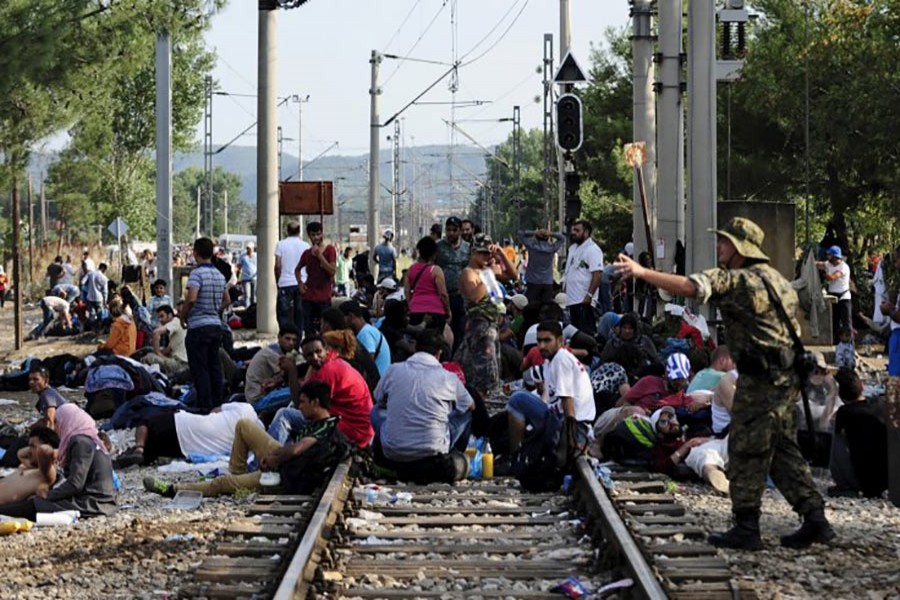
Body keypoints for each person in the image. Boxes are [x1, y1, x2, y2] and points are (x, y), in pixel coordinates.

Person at [614, 216, 834, 550]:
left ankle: (747, 525)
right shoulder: (776, 281)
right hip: (785, 379)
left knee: (744, 449)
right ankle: (815, 518)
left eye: (724, 242)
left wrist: (643, 273)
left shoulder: (736, 280)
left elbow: (691, 287)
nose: (718, 246)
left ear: (739, 248)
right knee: (783, 450)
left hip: (758, 382)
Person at [143, 381, 347, 498]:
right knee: (244, 425)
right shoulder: (322, 422)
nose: (299, 407)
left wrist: (274, 459)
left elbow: (295, 450)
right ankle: (237, 474)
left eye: (303, 403)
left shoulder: (325, 428)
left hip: (286, 476)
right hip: (289, 463)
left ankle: (173, 490)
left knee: (221, 483)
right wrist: (275, 454)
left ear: (316, 403)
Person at [371, 330, 473, 483]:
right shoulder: (448, 378)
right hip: (432, 450)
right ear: (438, 353)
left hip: (393, 450)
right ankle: (452, 454)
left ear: (415, 348)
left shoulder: (393, 370)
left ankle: (384, 457)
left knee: (376, 410)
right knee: (465, 414)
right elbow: (471, 405)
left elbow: (377, 397)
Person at [0, 404, 116, 520]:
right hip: (96, 500)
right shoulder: (86, 440)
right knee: (37, 502)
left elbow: (75, 484)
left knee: (36, 504)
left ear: (68, 421)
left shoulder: (81, 443)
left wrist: (48, 495)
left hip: (94, 503)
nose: (55, 427)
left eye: (57, 422)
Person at [507, 320, 596, 458]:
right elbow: (548, 397)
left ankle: (516, 457)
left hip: (573, 424)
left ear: (560, 340)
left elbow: (568, 400)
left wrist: (571, 439)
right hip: (560, 418)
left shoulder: (561, 359)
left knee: (516, 400)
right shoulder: (551, 360)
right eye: (539, 341)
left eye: (547, 341)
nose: (542, 346)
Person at [268, 336, 373, 449]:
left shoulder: (328, 371)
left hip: (352, 432)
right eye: (309, 355)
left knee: (285, 415)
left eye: (318, 352)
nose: (315, 357)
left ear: (326, 349)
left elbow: (300, 404)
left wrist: (292, 371)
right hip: (360, 428)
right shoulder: (333, 361)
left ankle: (266, 460)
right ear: (304, 357)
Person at [455, 234, 517, 396]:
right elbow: (474, 297)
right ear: (473, 252)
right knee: (482, 372)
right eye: (482, 253)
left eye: (488, 254)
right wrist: (489, 273)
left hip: (492, 326)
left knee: (492, 369)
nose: (486, 257)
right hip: (479, 326)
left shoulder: (486, 272)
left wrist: (501, 254)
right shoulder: (469, 273)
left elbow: (513, 276)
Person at [114, 400, 260, 468]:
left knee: (146, 421)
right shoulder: (251, 443)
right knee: (153, 446)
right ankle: (146, 454)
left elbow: (214, 410)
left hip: (182, 423)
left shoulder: (246, 409)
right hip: (182, 450)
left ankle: (139, 448)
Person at [180, 237, 230, 411]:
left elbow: (192, 298)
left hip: (198, 326)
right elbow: (227, 300)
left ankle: (205, 407)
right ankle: (218, 404)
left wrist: (183, 315)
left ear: (195, 253)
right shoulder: (219, 274)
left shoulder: (196, 274)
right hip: (215, 325)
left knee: (200, 369)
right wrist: (215, 310)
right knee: (214, 366)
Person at [563, 220, 604, 336]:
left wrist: (589, 295)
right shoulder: (572, 248)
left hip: (583, 300)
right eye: (572, 230)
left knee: (585, 334)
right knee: (575, 334)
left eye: (577, 230)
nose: (573, 233)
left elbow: (597, 274)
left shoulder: (593, 250)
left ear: (586, 232)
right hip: (571, 299)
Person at [244, 325, 299, 411]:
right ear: (279, 338)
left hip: (262, 394)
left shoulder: (277, 351)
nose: (291, 343)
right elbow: (287, 376)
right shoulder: (273, 355)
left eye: (294, 340)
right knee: (297, 393)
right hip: (257, 400)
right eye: (287, 339)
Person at [436, 217, 471, 351]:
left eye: (454, 230)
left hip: (460, 295)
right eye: (448, 230)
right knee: (442, 328)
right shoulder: (439, 247)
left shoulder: (467, 248)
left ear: (460, 231)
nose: (451, 233)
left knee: (460, 328)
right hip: (442, 295)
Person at [0, 427, 58, 505]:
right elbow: (20, 453)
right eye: (29, 446)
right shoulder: (31, 467)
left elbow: (44, 450)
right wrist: (33, 446)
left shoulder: (47, 474)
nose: (28, 450)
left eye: (32, 446)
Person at [298, 221, 337, 337]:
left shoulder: (330, 250)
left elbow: (332, 270)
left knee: (326, 329)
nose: (316, 237)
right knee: (308, 328)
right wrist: (300, 283)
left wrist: (320, 256)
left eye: (318, 234)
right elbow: (297, 269)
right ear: (309, 236)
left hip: (324, 296)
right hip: (309, 296)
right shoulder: (306, 253)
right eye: (313, 235)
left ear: (322, 234)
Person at [406, 236, 452, 332]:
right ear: (434, 254)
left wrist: (411, 305)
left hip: (415, 310)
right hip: (435, 312)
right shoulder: (436, 270)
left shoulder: (411, 270)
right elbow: (443, 294)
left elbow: (407, 291)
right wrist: (448, 310)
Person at [275, 221, 310, 334]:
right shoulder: (305, 245)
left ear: (287, 231)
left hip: (285, 282)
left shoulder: (280, 244)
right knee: (300, 314)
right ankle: (297, 340)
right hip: (302, 282)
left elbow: (278, 266)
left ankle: (285, 339)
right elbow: (309, 266)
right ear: (299, 231)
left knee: (284, 314)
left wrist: (278, 280)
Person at [340, 300, 391, 377]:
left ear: (351, 316)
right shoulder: (368, 330)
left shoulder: (365, 333)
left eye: (343, 319)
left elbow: (368, 362)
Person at [517, 228, 565, 306]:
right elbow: (562, 238)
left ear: (536, 237)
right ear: (548, 238)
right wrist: (550, 233)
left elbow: (520, 233)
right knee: (546, 307)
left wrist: (535, 232)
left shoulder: (532, 246)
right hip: (547, 281)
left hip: (533, 281)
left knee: (532, 306)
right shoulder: (552, 248)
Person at [816, 245, 852, 343]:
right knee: (834, 321)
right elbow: (819, 264)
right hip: (833, 295)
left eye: (829, 255)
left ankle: (849, 343)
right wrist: (811, 262)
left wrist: (824, 274)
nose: (827, 256)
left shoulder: (843, 267)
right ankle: (836, 342)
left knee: (846, 322)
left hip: (843, 297)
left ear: (835, 257)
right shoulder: (828, 264)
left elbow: (832, 277)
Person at [140, 305, 188, 376]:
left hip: (180, 364)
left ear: (169, 315)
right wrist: (159, 351)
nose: (160, 320)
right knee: (149, 350)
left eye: (162, 316)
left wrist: (158, 353)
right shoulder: (177, 327)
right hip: (182, 363)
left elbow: (156, 332)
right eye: (159, 317)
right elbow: (168, 350)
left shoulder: (176, 322)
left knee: (147, 358)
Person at [28, 366, 68, 431]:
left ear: (46, 380)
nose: (31, 382)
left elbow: (50, 422)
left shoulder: (47, 395)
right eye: (30, 379)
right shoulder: (50, 392)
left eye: (35, 379)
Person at [84, 262, 109, 328]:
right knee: (100, 314)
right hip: (99, 298)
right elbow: (105, 291)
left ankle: (92, 329)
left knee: (92, 314)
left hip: (90, 297)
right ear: (103, 269)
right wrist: (105, 301)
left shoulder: (90, 274)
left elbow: (82, 282)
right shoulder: (104, 278)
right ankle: (99, 329)